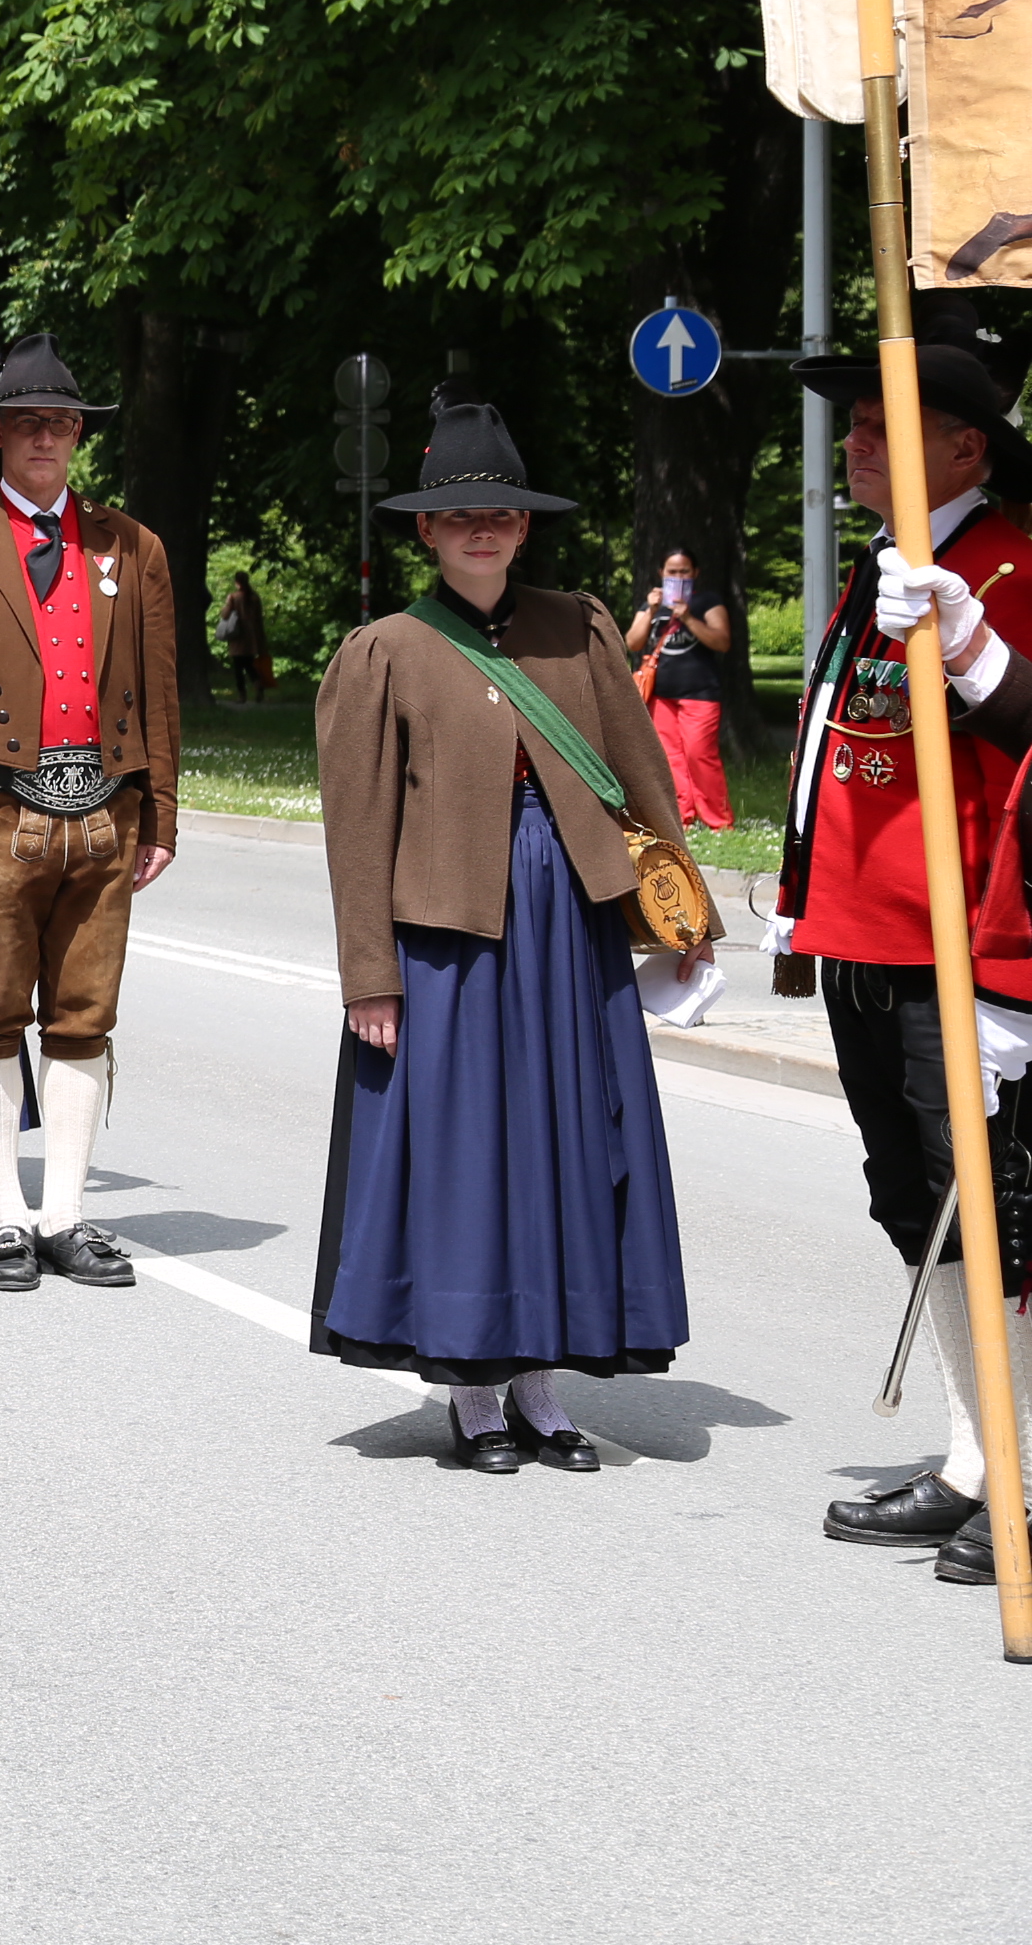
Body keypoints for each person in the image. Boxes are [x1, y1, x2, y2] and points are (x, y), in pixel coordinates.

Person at [313, 402, 701, 1470]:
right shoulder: (382, 651)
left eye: (500, 513)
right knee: (470, 1160)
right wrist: (369, 977)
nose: (482, 528)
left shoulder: (575, 629)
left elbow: (639, 776)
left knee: (568, 1148)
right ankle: (478, 1393)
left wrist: (683, 916)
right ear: (427, 534)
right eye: (460, 515)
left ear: (524, 528)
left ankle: (546, 1384)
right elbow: (357, 833)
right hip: (447, 942)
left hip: (568, 923)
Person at [780, 332, 1032, 1584]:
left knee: (1001, 1222)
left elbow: (1027, 727)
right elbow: (843, 738)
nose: (857, 438)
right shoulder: (890, 563)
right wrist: (795, 895)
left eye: (884, 419)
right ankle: (974, 1460)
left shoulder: (1006, 565)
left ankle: (1024, 1474)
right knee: (920, 1216)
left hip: (959, 952)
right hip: (867, 941)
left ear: (967, 445)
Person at [0, 334, 181, 1295]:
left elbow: (164, 691)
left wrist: (162, 814)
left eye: (64, 422)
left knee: (86, 1019)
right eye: (30, 421)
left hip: (106, 810)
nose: (47, 437)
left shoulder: (134, 545)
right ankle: (5, 1216)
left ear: (79, 435)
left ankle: (66, 1215)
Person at [624, 548, 737, 830]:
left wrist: (687, 617)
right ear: (661, 573)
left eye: (684, 571)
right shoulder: (652, 603)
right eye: (672, 572)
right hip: (661, 695)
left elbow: (722, 641)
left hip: (699, 693)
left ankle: (718, 822)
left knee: (699, 755)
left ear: (695, 573)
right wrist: (650, 609)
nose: (677, 577)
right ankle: (683, 817)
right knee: (670, 758)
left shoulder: (707, 602)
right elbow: (633, 643)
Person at [216, 569, 276, 705]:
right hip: (252, 638)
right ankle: (258, 685)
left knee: (238, 668)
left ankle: (242, 695)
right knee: (249, 665)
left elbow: (225, 615)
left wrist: (226, 605)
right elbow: (259, 619)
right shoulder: (255, 598)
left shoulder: (234, 597)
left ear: (237, 583)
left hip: (237, 637)